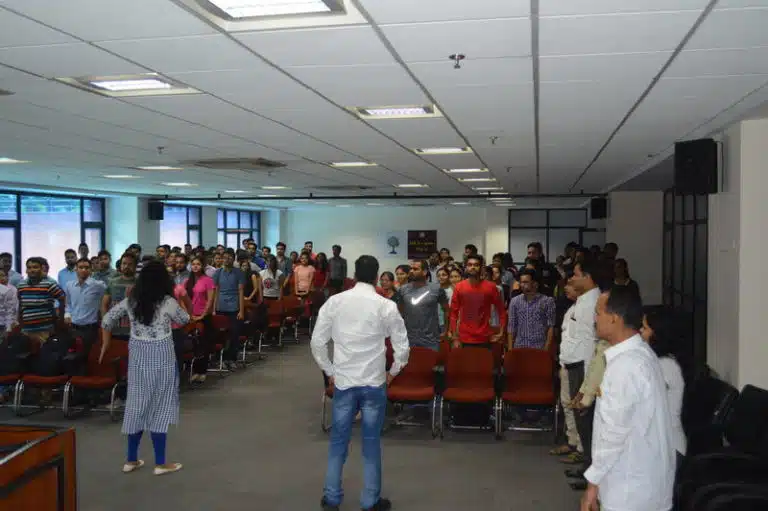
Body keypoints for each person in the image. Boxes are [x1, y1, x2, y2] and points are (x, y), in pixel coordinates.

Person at [310, 255, 409, 511]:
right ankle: (370, 500)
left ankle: (332, 498)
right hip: (374, 382)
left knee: (338, 442)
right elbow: (402, 347)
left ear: (353, 275)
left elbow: (317, 343)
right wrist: (393, 372)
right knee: (371, 443)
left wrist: (330, 371)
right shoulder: (386, 305)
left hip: (343, 381)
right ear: (376, 277)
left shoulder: (335, 302)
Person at [581, 287, 675, 511]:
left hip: (629, 488)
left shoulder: (625, 366)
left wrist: (593, 483)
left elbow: (613, 433)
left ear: (614, 318)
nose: (595, 319)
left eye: (598, 313)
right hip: (644, 482)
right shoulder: (641, 354)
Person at [100, 260, 190, 476]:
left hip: (138, 359)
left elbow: (107, 320)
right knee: (160, 407)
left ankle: (131, 460)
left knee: (136, 406)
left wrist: (112, 338)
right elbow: (185, 319)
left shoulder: (131, 301)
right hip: (163, 358)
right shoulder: (167, 302)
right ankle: (160, 463)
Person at [641, 306, 687, 468]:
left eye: (645, 328)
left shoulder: (666, 365)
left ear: (657, 334)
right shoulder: (656, 361)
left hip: (668, 448)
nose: (640, 331)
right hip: (656, 444)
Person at [448, 254, 506, 348]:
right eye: (470, 265)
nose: (473, 267)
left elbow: (501, 311)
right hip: (464, 338)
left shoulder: (491, 287)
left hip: (485, 337)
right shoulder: (459, 287)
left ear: (481, 267)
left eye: (476, 265)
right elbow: (453, 314)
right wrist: (455, 337)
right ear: (466, 267)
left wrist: (501, 333)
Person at [398, 260, 448, 351]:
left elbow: (446, 310)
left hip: (431, 341)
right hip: (409, 340)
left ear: (424, 272)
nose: (411, 271)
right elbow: (400, 312)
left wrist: (445, 330)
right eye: (411, 269)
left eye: (415, 269)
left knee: (431, 361)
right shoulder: (403, 289)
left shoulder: (436, 289)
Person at [64, 258, 107, 360]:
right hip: (73, 328)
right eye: (81, 267)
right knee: (72, 358)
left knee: (88, 359)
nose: (84, 270)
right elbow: (68, 303)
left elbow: (107, 300)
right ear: (76, 269)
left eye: (87, 268)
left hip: (90, 329)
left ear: (91, 270)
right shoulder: (69, 285)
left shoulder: (99, 285)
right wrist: (67, 314)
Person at [506, 269, 556, 350]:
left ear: (535, 283)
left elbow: (550, 327)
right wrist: (510, 350)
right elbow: (511, 327)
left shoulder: (547, 301)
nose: (522, 285)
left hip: (539, 347)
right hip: (520, 347)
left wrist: (546, 349)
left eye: (526, 282)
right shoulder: (515, 301)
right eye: (521, 282)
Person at [213, 249, 245, 370]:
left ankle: (231, 359)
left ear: (234, 259)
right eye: (225, 257)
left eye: (230, 257)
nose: (227, 260)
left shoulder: (239, 273)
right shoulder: (217, 272)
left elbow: (241, 292)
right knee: (219, 334)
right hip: (220, 307)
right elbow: (215, 291)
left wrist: (241, 311)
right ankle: (219, 359)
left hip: (234, 308)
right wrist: (213, 309)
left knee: (234, 334)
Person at [186, 257, 216, 383]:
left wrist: (202, 315)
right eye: (193, 264)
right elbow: (183, 298)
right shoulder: (188, 281)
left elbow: (210, 300)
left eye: (198, 264)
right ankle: (194, 371)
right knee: (193, 345)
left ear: (202, 266)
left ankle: (202, 371)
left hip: (204, 317)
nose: (195, 266)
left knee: (203, 345)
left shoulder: (208, 280)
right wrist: (188, 314)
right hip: (190, 317)